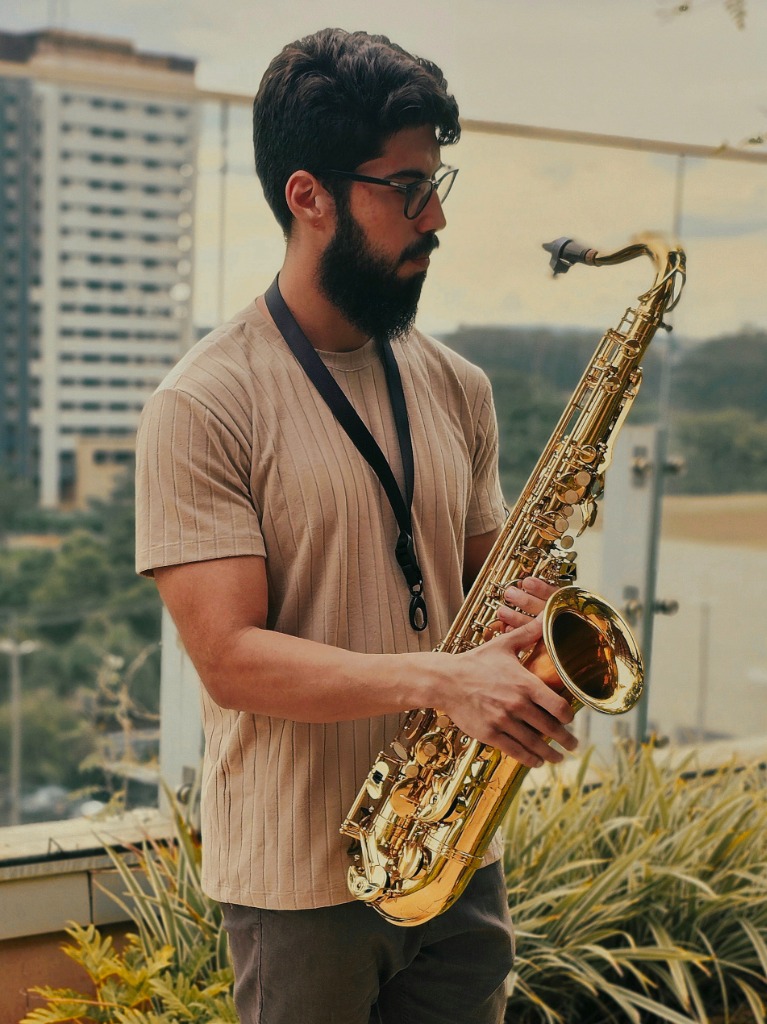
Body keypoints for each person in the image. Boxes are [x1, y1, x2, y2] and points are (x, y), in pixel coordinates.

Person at [135, 27, 577, 1024]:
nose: (437, 216)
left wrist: (536, 631)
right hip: (299, 883)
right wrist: (439, 678)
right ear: (308, 195)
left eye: (436, 180)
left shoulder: (458, 385)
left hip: (456, 858)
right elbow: (230, 659)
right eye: (407, 188)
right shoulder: (201, 404)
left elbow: (481, 594)